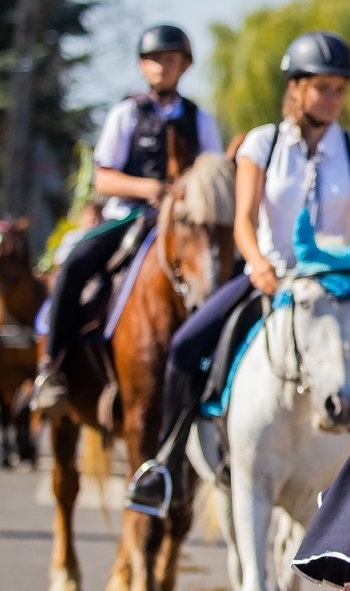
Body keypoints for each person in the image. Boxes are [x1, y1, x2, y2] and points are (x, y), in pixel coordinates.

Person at [124, 30, 350, 514]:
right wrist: (256, 264)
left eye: (340, 89)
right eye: (323, 88)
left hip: (332, 288)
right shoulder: (263, 143)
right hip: (269, 277)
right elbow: (243, 221)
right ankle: (165, 464)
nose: (334, 99)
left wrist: (347, 282)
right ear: (296, 87)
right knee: (188, 346)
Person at [32, 25, 222, 414]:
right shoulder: (126, 113)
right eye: (154, 60)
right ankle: (52, 368)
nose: (161, 67)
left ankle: (220, 377)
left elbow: (214, 173)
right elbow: (104, 176)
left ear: (184, 66)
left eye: (170, 60)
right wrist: (149, 188)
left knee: (226, 278)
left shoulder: (201, 120)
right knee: (74, 266)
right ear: (141, 66)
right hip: (130, 218)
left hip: (183, 224)